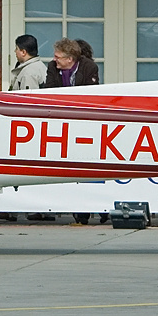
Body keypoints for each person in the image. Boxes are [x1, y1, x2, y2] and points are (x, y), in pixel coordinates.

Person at [44, 38, 100, 224]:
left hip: (83, 122)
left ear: (70, 59)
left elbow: (91, 95)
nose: (54, 59)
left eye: (58, 57)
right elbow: (50, 91)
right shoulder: (53, 68)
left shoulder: (89, 67)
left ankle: (92, 210)